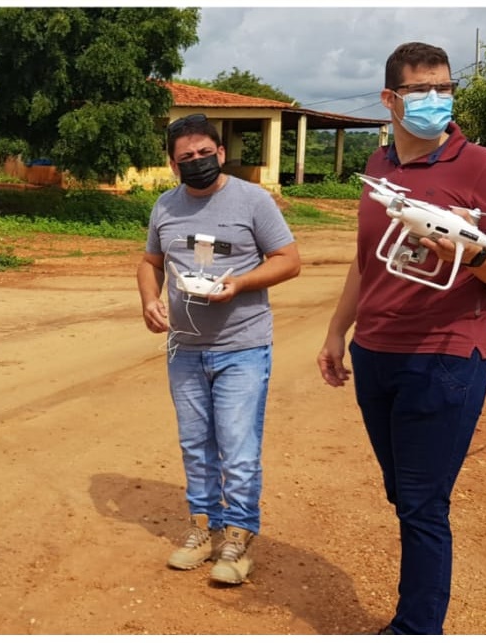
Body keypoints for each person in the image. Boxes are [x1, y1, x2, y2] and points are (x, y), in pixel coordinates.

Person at [315, 42, 486, 634]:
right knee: (402, 492)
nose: (436, 101)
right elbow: (366, 263)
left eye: (445, 89)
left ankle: (417, 626)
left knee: (422, 503)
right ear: (390, 99)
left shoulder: (482, 166)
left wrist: (472, 250)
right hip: (376, 353)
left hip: (445, 356)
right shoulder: (379, 168)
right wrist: (338, 332)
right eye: (420, 91)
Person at [136, 114, 301, 585]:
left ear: (221, 153)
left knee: (238, 447)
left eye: (205, 154)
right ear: (172, 165)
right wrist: (149, 300)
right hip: (184, 349)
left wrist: (241, 283)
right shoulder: (166, 207)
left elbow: (289, 261)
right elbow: (150, 263)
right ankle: (202, 529)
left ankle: (239, 536)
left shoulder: (253, 200)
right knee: (195, 446)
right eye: (186, 158)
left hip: (242, 347)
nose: (197, 163)